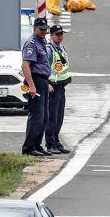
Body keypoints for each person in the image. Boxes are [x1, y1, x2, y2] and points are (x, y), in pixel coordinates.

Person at [21, 17, 53, 156]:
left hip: (43, 81)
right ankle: (29, 148)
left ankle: (37, 145)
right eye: (41, 30)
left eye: (46, 30)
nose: (44, 32)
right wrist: (32, 85)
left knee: (45, 116)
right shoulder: (31, 43)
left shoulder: (42, 41)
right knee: (37, 116)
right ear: (34, 28)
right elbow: (25, 65)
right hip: (35, 81)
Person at [44, 24, 72, 155]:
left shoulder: (61, 48)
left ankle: (56, 141)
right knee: (52, 117)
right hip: (52, 87)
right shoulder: (49, 49)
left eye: (61, 34)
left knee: (59, 117)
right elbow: (44, 68)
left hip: (61, 86)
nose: (60, 36)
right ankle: (50, 144)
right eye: (57, 34)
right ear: (51, 35)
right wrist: (47, 84)